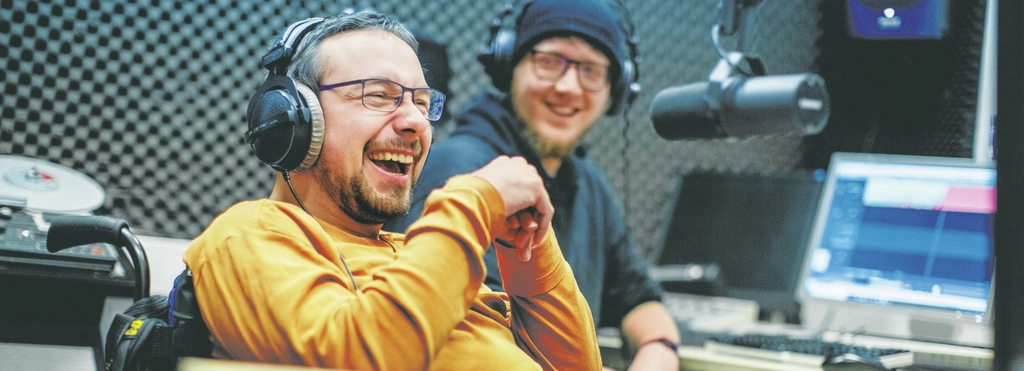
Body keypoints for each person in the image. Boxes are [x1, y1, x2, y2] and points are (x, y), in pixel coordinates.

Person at [182, 10, 600, 370]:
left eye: (422, 102)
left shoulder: (416, 253)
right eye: (379, 95)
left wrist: (529, 252)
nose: (416, 122)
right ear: (295, 119)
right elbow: (356, 359)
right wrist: (475, 204)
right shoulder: (249, 236)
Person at [385, 0, 681, 370]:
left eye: (590, 70)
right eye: (549, 61)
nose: (569, 86)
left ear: (615, 89)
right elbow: (482, 343)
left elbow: (638, 296)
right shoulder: (460, 172)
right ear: (509, 66)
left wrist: (659, 348)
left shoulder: (586, 181)